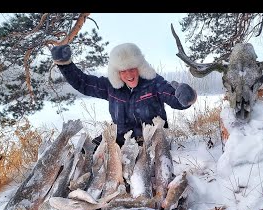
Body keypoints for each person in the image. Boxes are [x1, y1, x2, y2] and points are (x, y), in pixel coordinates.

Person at [51, 42, 197, 147]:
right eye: (123, 70)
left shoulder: (154, 83)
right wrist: (65, 64)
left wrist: (186, 97)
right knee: (84, 151)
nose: (128, 74)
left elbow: (174, 98)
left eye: (132, 68)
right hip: (119, 138)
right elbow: (83, 83)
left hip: (150, 140)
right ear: (117, 72)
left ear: (140, 67)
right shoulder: (111, 86)